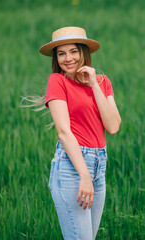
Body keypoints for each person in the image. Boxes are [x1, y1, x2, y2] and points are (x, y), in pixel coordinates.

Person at [39, 26, 121, 239]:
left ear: (84, 52)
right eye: (61, 53)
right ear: (56, 58)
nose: (68, 58)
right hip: (72, 167)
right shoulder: (57, 81)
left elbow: (113, 126)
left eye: (73, 51)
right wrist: (84, 175)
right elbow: (64, 132)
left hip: (99, 165)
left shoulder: (103, 82)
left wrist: (93, 83)